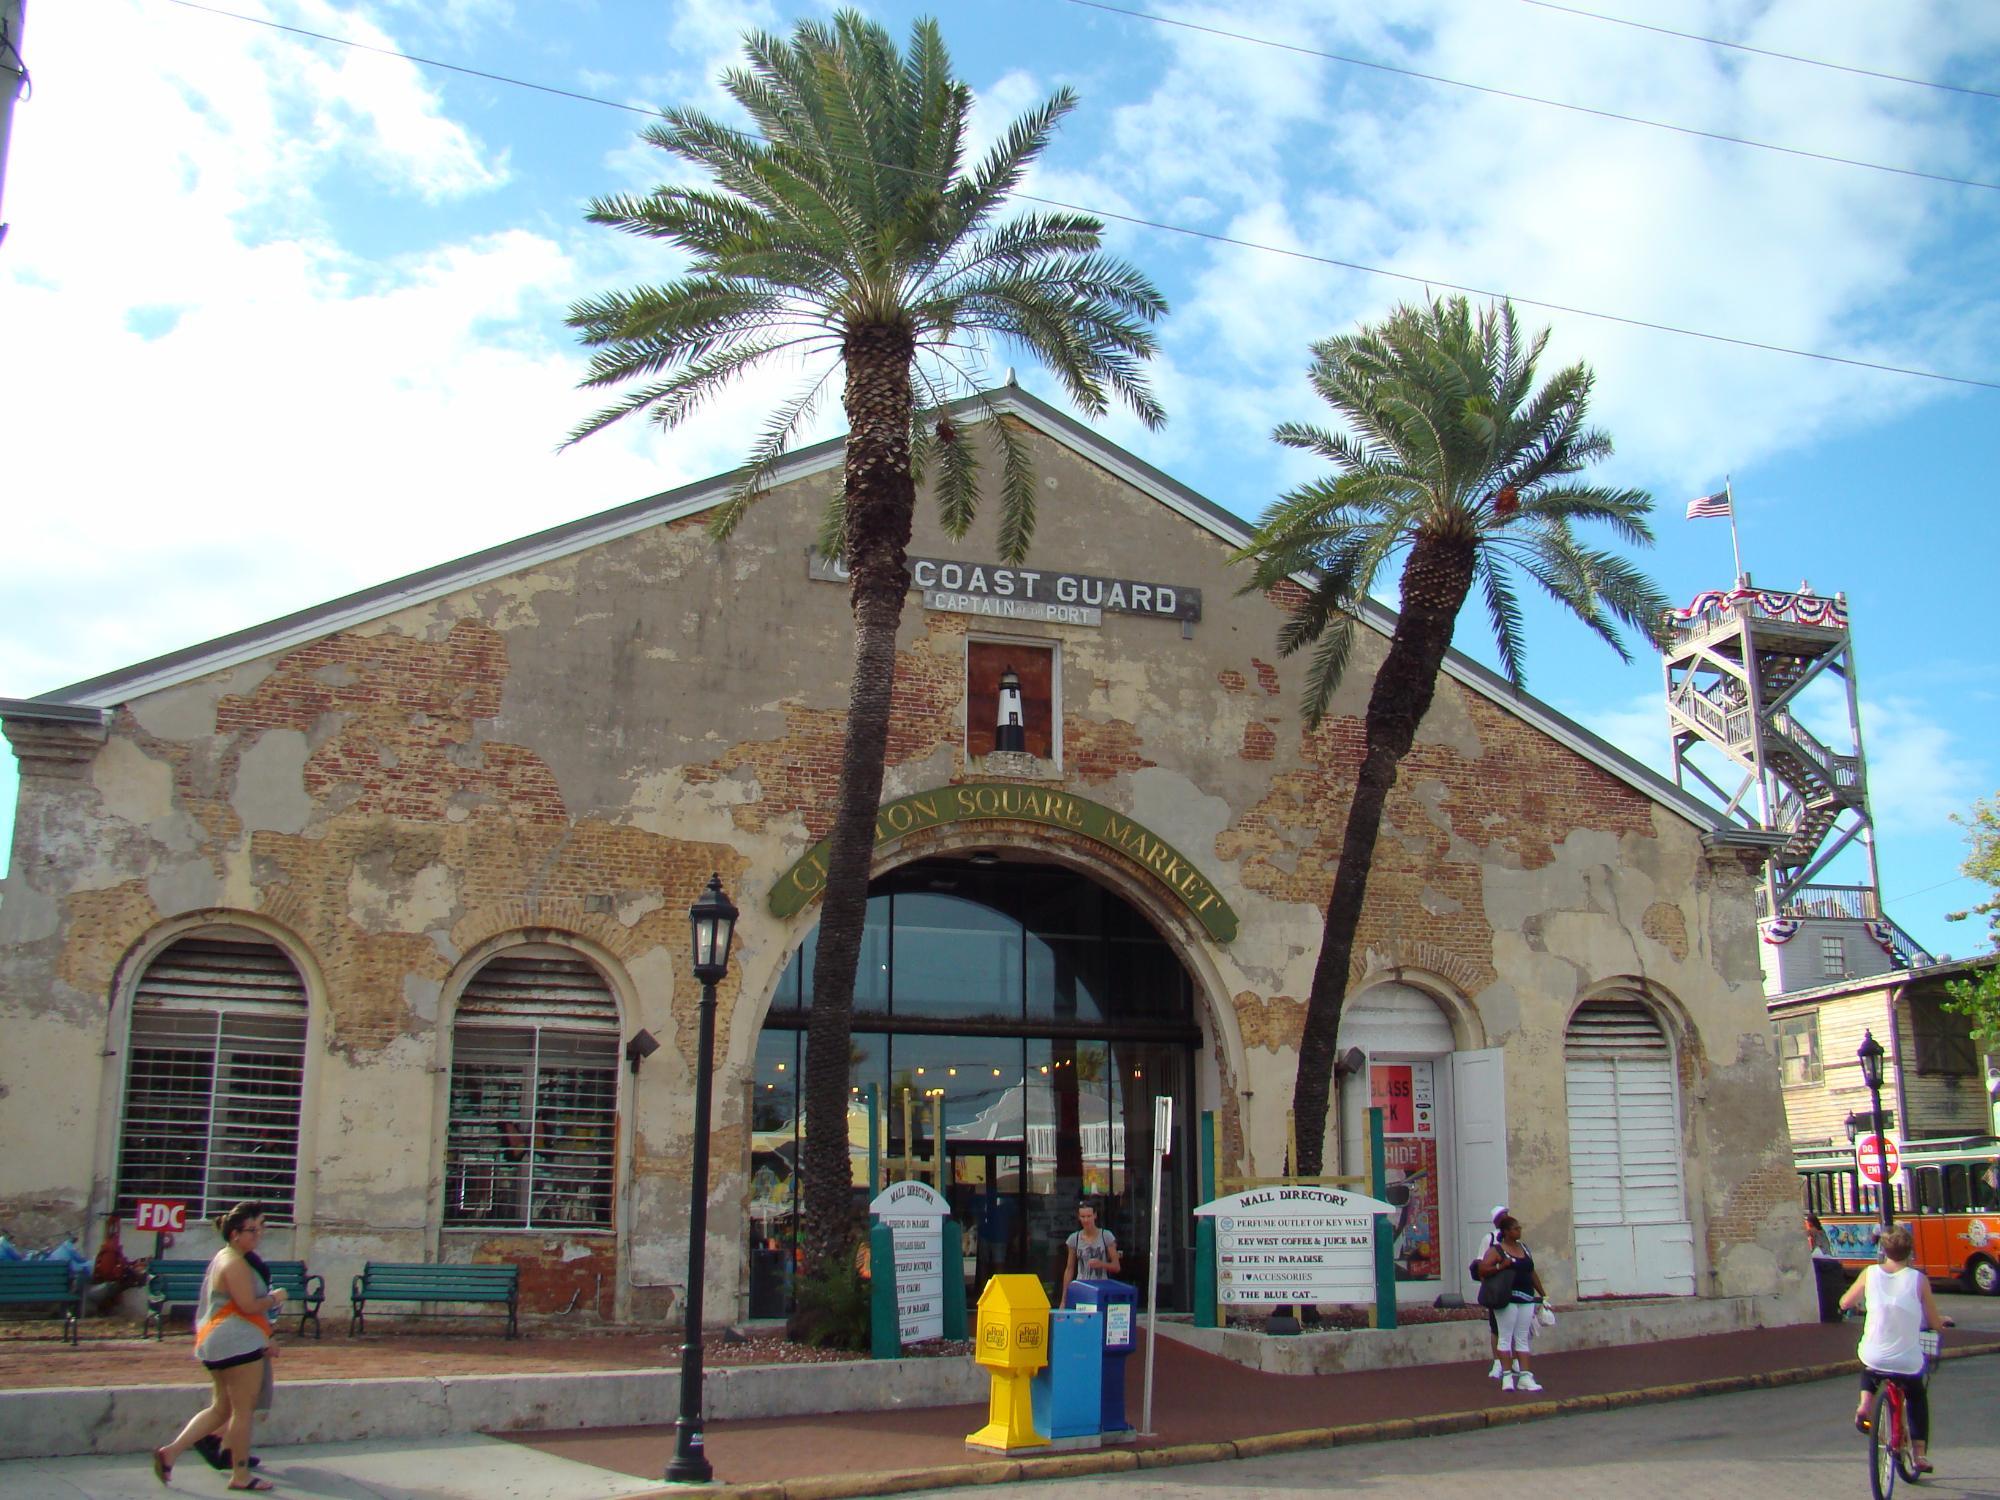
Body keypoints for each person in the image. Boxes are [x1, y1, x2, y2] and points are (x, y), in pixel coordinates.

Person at [151, 1203, 286, 1492]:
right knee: (242, 1410)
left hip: (219, 1341)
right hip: (236, 1342)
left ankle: (171, 1453)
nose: (258, 1234)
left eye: (261, 1228)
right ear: (235, 1233)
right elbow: (248, 1305)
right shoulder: (234, 1262)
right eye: (253, 1229)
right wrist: (275, 1298)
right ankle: (240, 1474)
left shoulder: (225, 1257)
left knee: (221, 1409)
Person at [1839, 1224, 1952, 1475]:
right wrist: (1941, 1321)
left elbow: (1845, 1301)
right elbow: (1933, 1322)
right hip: (1906, 1361)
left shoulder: (1869, 1273)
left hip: (1874, 1354)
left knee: (1870, 1365)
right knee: (1916, 1395)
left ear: (1883, 1251)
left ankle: (1864, 1405)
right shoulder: (1918, 1279)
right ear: (1910, 1252)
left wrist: (1852, 1306)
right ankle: (1920, 1454)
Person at [1476, 1214, 1547, 1393]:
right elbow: (1482, 1269)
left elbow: (1531, 1272)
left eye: (1519, 1228)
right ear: (1506, 1232)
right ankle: (1507, 1376)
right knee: (1505, 1337)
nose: (1519, 1230)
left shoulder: (1524, 1248)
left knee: (1522, 1337)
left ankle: (1525, 1376)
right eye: (1515, 1228)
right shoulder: (1497, 1250)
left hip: (1526, 1298)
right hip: (1507, 1299)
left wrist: (1543, 1294)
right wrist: (1501, 1266)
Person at [1059, 1200, 1121, 1306]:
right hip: (1081, 1288)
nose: (1086, 1220)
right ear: (1079, 1217)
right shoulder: (1074, 1238)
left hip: (1101, 1288)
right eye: (1083, 1217)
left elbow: (1116, 1266)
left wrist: (1101, 1264)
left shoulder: (1106, 1236)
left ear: (1095, 1216)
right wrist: (1064, 1300)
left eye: (1089, 1216)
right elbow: (1069, 1269)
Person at [88, 1214, 150, 1313]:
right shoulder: (111, 1250)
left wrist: (140, 1261)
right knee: (129, 1281)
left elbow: (124, 1264)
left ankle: (107, 1307)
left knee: (132, 1278)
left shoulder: (109, 1249)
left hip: (110, 1278)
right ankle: (105, 1308)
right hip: (109, 1281)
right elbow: (108, 1271)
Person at [1475, 1203, 1508, 1379]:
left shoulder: (1514, 1239)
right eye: (1502, 1216)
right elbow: (1480, 1264)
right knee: (1496, 1327)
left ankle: (1515, 1361)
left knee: (1514, 1327)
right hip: (1496, 1288)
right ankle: (1497, 1363)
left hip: (1512, 1288)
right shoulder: (1490, 1239)